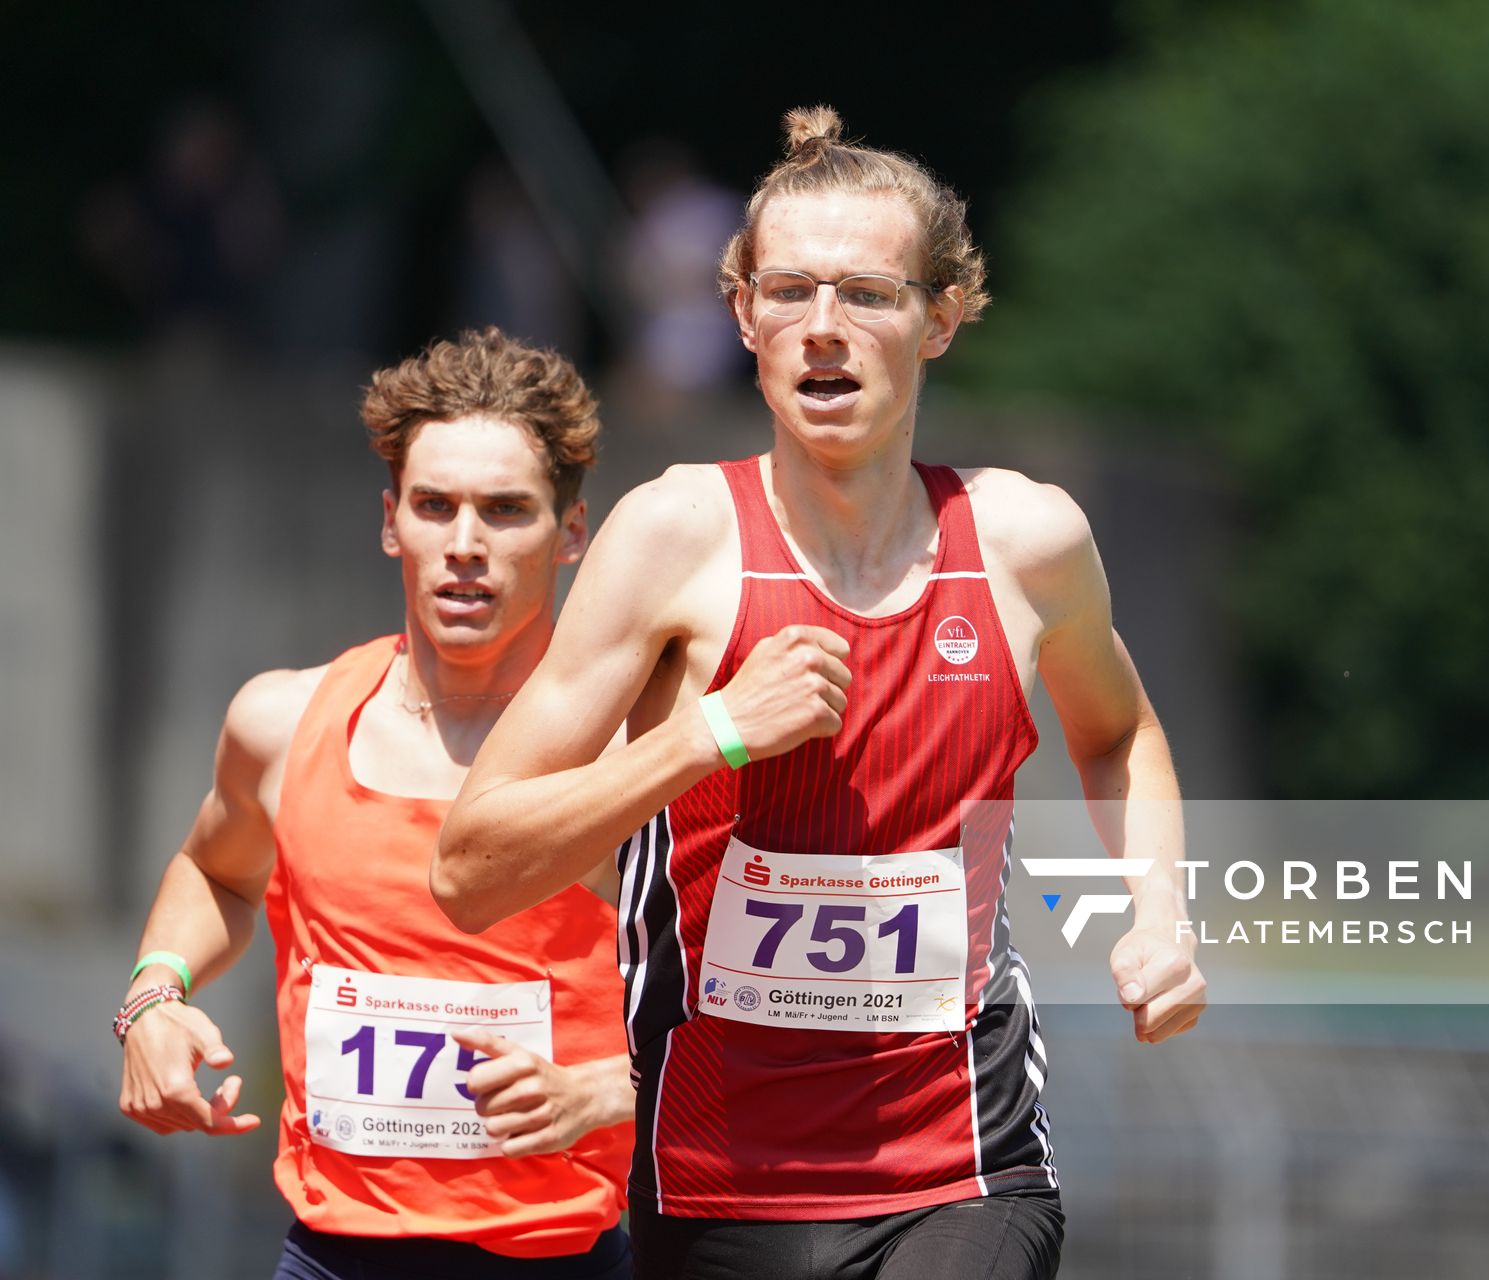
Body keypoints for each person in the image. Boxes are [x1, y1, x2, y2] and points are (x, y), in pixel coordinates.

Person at [433, 106, 1208, 1280]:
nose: (824, 331)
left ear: (941, 316)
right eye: (788, 292)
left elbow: (1121, 734)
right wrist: (708, 732)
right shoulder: (674, 539)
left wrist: (1156, 910)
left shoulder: (1024, 539)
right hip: (715, 1177)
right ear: (741, 315)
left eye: (869, 294)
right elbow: (472, 866)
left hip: (963, 1164)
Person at [116, 327, 637, 1279]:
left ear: (571, 535)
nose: (466, 546)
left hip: (565, 1252)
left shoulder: (635, 754)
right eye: (436, 506)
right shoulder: (281, 721)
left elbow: (760, 1016)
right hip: (333, 1254)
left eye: (507, 511)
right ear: (392, 521)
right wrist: (153, 996)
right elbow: (215, 870)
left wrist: (607, 1092)